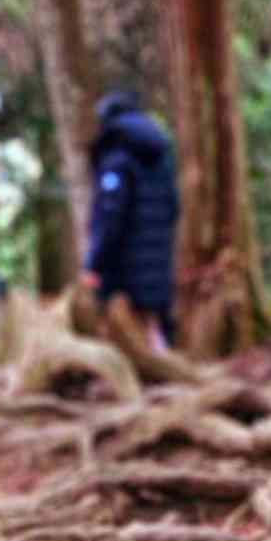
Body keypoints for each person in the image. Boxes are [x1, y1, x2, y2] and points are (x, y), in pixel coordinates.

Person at [82, 92, 179, 349]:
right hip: (157, 262)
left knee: (126, 332)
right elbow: (173, 206)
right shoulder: (160, 156)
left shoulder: (116, 158)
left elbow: (109, 216)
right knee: (153, 329)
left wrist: (94, 263)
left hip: (122, 268)